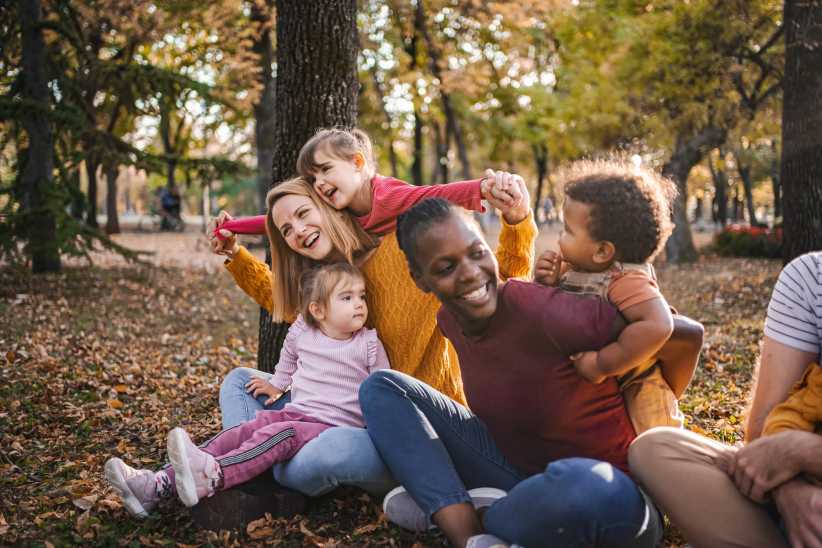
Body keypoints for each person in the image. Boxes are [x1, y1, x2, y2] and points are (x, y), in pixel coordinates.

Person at [359, 198, 702, 548]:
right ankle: (471, 538)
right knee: (382, 387)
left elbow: (686, 335)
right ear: (420, 280)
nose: (470, 273)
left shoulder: (543, 310)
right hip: (515, 473)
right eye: (446, 268)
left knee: (583, 483)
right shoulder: (449, 321)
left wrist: (653, 399)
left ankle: (473, 513)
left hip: (612, 494)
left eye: (477, 252)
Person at [208, 173, 536, 502]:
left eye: (304, 215)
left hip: (402, 431)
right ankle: (251, 470)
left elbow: (500, 285)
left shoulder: (403, 253)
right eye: (286, 229)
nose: (298, 232)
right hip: (329, 411)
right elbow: (289, 303)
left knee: (335, 449)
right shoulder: (330, 275)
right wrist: (235, 255)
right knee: (240, 382)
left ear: (331, 209)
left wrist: (517, 221)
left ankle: (258, 473)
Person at [104, 263, 391, 516]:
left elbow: (383, 391)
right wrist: (277, 383)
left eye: (361, 296)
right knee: (245, 430)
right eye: (347, 298)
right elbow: (289, 355)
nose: (359, 304)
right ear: (318, 310)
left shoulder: (366, 343)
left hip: (331, 425)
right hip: (296, 411)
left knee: (277, 435)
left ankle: (216, 475)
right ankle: (156, 485)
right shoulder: (305, 330)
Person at [629, 251, 822, 548]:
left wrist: (802, 451)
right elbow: (768, 429)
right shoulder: (811, 275)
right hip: (793, 487)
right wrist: (791, 492)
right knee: (654, 448)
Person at [534, 159, 688, 434]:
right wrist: (549, 283)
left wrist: (603, 362)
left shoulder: (624, 279)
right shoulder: (578, 267)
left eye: (567, 231)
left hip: (636, 382)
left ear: (603, 252)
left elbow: (658, 324)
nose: (559, 238)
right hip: (589, 388)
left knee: (654, 440)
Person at [296, 127, 514, 235]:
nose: (319, 183)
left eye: (325, 169)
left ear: (357, 162)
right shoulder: (330, 211)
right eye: (312, 178)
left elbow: (433, 195)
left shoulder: (387, 197)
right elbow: (280, 218)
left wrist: (483, 187)